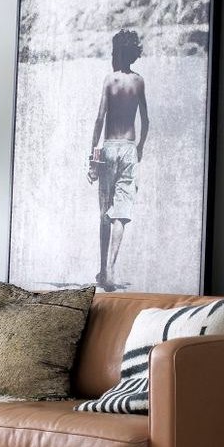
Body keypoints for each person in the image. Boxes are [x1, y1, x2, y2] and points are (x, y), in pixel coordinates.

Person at [88, 29, 149, 291]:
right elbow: (145, 121)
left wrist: (93, 152)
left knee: (104, 213)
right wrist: (140, 147)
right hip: (128, 149)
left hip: (110, 147)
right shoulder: (138, 82)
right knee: (120, 214)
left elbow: (100, 118)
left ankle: (103, 271)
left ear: (117, 53)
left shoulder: (109, 80)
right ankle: (110, 268)